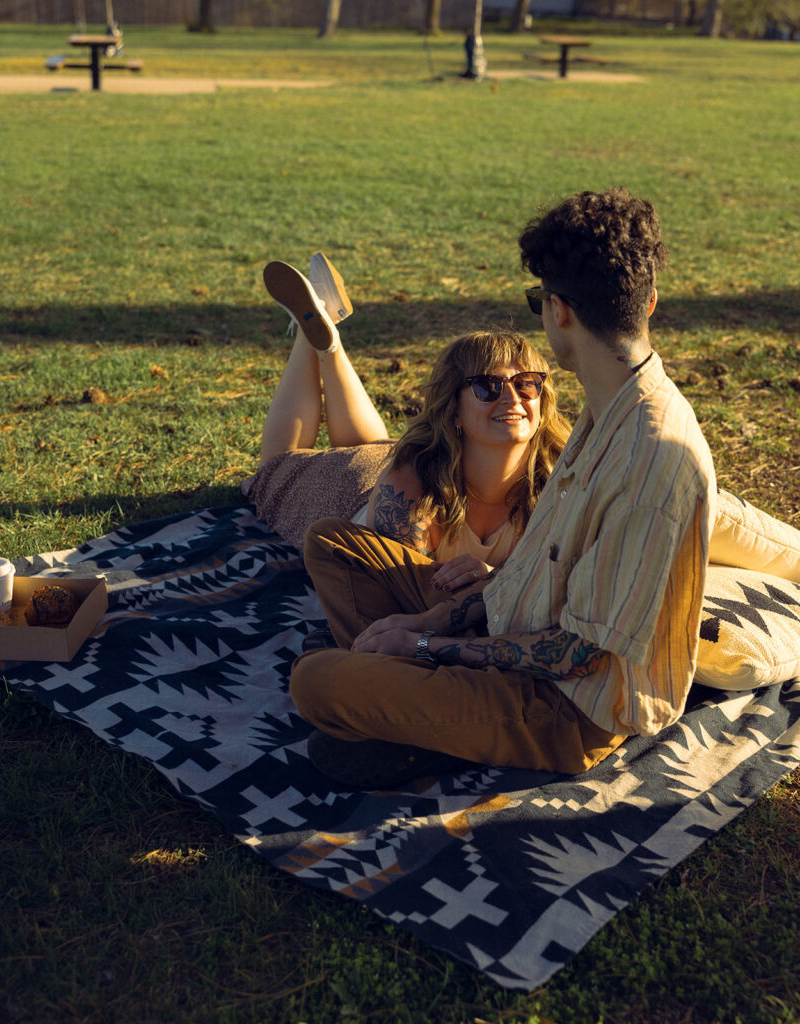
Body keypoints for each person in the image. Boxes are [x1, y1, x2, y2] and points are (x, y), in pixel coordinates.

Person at [290, 187, 719, 788]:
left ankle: (415, 722)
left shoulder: (650, 458)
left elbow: (578, 655)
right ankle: (408, 711)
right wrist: (437, 618)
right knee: (334, 547)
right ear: (648, 302)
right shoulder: (609, 410)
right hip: (511, 626)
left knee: (316, 680)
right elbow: (530, 578)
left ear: (558, 310)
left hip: (565, 707)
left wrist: (424, 647)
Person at [244, 256, 571, 592]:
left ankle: (325, 333)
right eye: (487, 386)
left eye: (527, 383)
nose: (513, 398)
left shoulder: (561, 479)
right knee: (277, 465)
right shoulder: (408, 497)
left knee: (373, 447)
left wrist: (490, 574)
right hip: (345, 494)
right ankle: (309, 332)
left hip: (389, 457)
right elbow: (414, 600)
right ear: (452, 409)